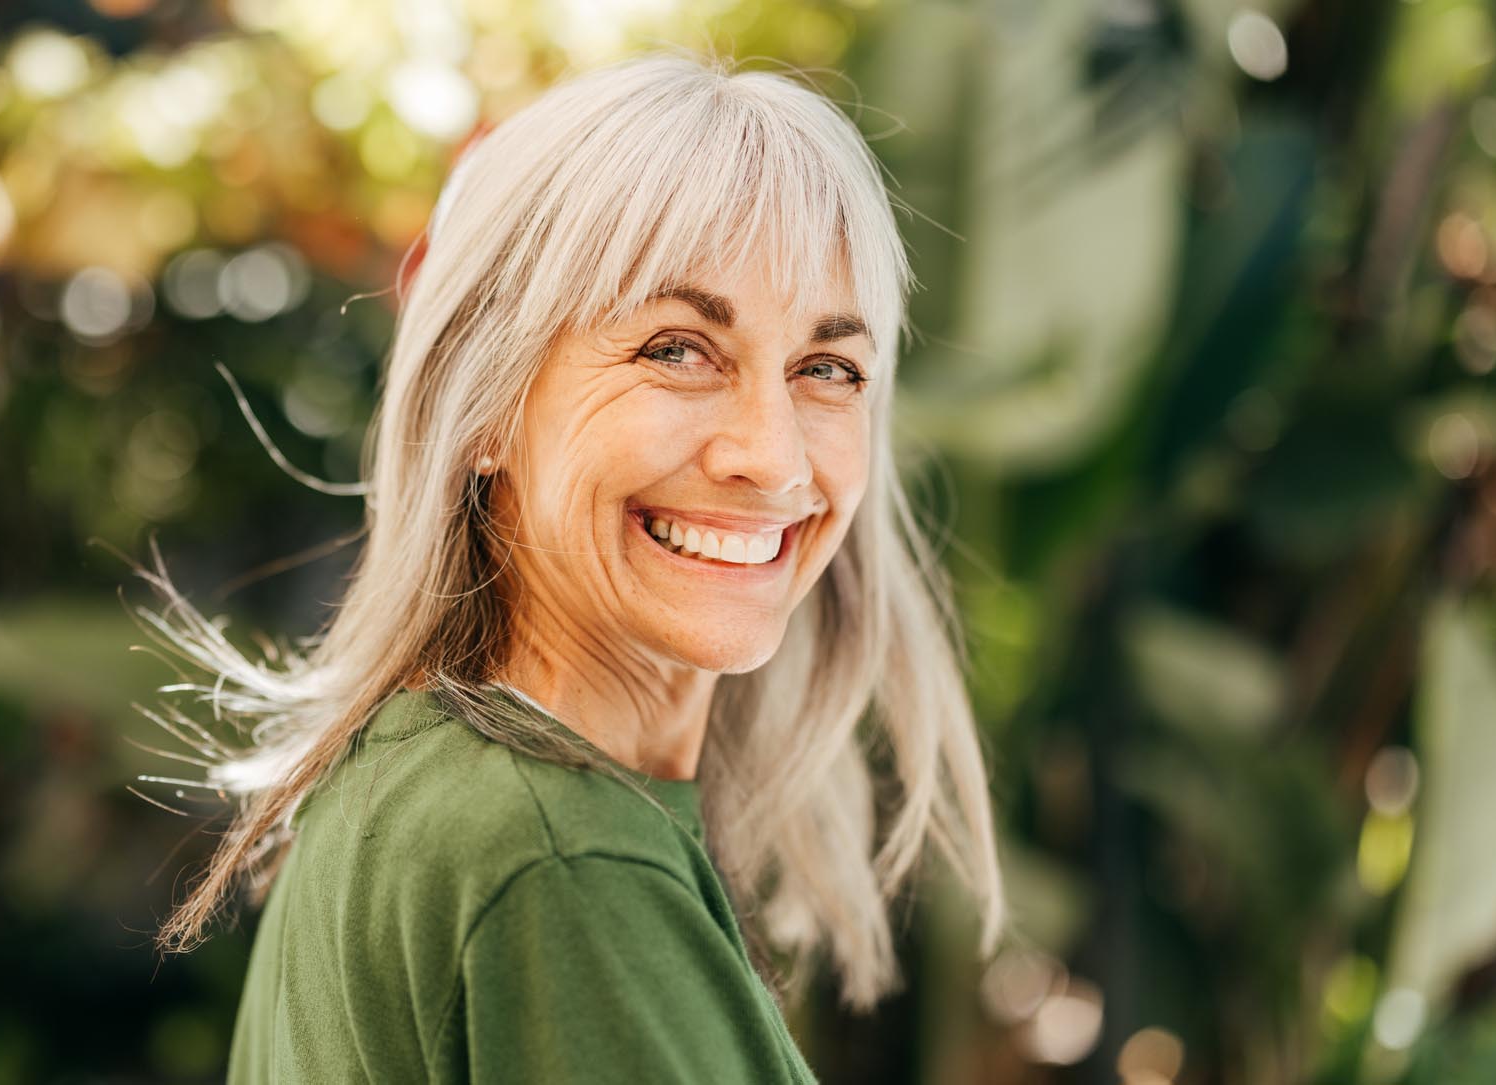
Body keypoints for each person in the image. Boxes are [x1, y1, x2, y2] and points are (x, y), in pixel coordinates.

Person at [127, 48, 1009, 1082]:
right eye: (678, 349)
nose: (771, 457)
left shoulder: (408, 781)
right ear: (487, 402)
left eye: (827, 368)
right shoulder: (561, 859)